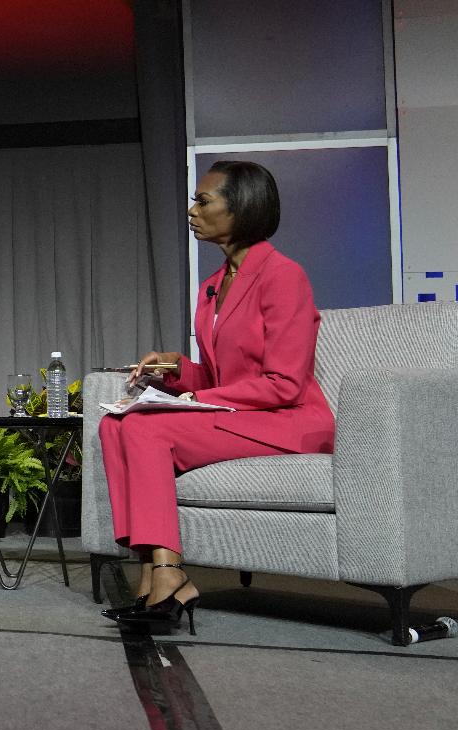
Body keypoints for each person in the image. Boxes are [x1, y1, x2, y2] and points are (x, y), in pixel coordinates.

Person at [101, 160, 333, 634]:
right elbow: (218, 376)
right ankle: (151, 573)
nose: (191, 210)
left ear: (242, 207)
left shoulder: (283, 276)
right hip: (243, 414)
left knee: (147, 426)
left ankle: (167, 574)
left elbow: (285, 383)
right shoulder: (212, 287)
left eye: (203, 201)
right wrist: (178, 372)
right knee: (115, 423)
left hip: (288, 419)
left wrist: (189, 405)